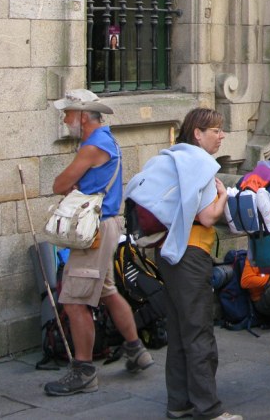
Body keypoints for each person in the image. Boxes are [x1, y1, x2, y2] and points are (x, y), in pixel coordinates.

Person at [44, 90, 155, 397]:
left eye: (68, 114)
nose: (65, 121)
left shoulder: (92, 147)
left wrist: (73, 183)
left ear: (83, 116)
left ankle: (83, 371)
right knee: (107, 290)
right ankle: (136, 350)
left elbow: (60, 185)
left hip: (92, 231)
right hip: (106, 225)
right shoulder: (107, 139)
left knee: (74, 300)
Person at [138, 108, 240, 420]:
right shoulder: (200, 165)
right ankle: (208, 408)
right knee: (198, 330)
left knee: (180, 329)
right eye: (215, 131)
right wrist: (223, 194)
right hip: (192, 252)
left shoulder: (173, 158)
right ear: (198, 133)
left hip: (167, 251)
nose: (221, 136)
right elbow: (208, 216)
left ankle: (179, 402)